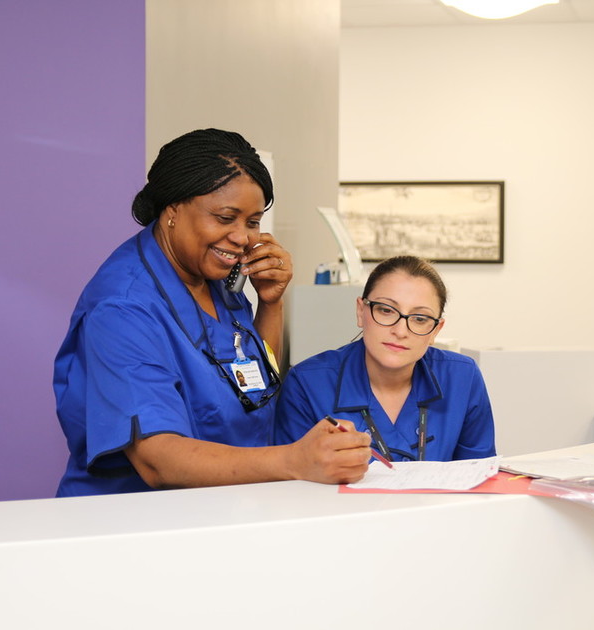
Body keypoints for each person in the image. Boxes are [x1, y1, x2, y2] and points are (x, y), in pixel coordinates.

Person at [54, 128, 371, 496]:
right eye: (225, 218)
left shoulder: (215, 277)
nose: (242, 238)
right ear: (173, 210)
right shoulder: (123, 308)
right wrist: (293, 461)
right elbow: (158, 459)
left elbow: (254, 384)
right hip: (136, 518)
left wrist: (271, 303)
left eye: (252, 222)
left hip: (228, 502)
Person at [274, 256, 496, 463]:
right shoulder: (307, 384)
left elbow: (479, 475)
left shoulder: (462, 377)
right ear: (361, 312)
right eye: (386, 310)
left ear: (435, 331)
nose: (400, 331)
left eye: (420, 319)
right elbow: (290, 479)